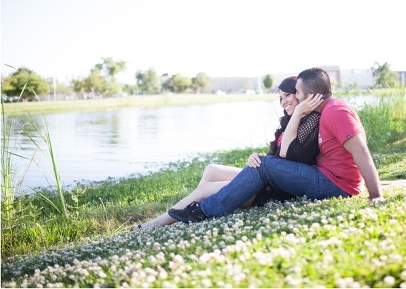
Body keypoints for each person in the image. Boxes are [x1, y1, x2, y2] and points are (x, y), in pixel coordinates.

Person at [168, 67, 385, 223]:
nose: (295, 97)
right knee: (262, 163)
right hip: (324, 176)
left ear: (310, 95)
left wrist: (375, 195)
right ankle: (198, 209)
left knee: (264, 164)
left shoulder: (335, 111)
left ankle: (204, 212)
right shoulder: (322, 113)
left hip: (336, 185)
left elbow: (361, 151)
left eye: (297, 92)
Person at [130, 76, 323, 230]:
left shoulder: (308, 121)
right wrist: (255, 156)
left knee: (205, 190)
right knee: (211, 170)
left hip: (274, 189)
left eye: (288, 95)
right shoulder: (290, 120)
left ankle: (157, 223)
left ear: (300, 95)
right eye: (280, 98)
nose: (283, 102)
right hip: (264, 177)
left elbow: (285, 159)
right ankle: (197, 206)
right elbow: (275, 155)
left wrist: (297, 113)